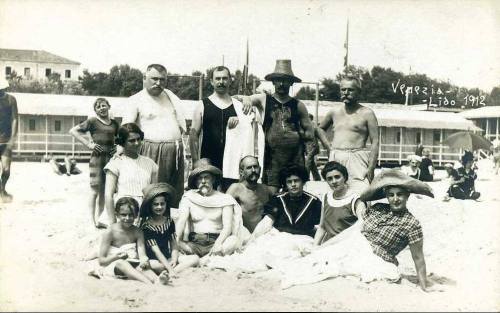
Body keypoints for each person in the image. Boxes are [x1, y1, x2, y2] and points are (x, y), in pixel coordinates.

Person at [279, 169, 439, 292]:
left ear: (407, 196)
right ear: (387, 196)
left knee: (330, 269)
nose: (395, 199)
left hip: (377, 259)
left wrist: (423, 283)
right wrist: (322, 247)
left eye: (400, 195)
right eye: (391, 195)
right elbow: (353, 232)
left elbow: (418, 257)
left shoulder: (412, 224)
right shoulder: (378, 209)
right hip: (354, 246)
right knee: (316, 260)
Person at [238, 60, 314, 194]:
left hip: (294, 157)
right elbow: (244, 98)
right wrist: (247, 100)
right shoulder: (264, 99)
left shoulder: (298, 105)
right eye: (278, 80)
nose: (281, 84)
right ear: (273, 82)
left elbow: (310, 135)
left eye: (285, 80)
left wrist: (307, 163)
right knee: (271, 194)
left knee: (294, 192)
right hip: (272, 158)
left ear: (291, 83)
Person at [122, 64, 186, 207]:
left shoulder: (172, 97)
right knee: (152, 192)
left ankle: (170, 225)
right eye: (154, 79)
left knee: (174, 193)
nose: (158, 83)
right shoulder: (135, 100)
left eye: (162, 80)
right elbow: (126, 130)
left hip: (175, 151)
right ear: (144, 78)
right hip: (149, 151)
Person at [317, 75, 379, 193]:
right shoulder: (334, 112)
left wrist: (371, 167)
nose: (346, 93)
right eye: (343, 89)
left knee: (361, 192)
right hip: (336, 156)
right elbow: (319, 129)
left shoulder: (367, 113)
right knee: (335, 193)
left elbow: (375, 141)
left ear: (359, 92)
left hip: (357, 158)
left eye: (350, 90)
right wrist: (329, 147)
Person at [190, 66, 246, 191]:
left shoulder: (238, 106)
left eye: (225, 78)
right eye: (218, 78)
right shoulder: (203, 104)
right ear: (211, 81)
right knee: (208, 195)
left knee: (229, 195)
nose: (221, 82)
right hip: (209, 159)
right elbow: (193, 134)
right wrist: (195, 162)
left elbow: (248, 129)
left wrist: (241, 121)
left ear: (230, 80)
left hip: (232, 159)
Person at [176, 162, 247, 258]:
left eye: (206, 177)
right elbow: (181, 222)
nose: (203, 181)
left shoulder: (225, 199)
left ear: (213, 179)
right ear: (196, 182)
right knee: (174, 242)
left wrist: (218, 244)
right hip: (194, 244)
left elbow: (227, 227)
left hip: (216, 242)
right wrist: (176, 242)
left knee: (233, 240)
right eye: (200, 178)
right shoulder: (188, 197)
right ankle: (207, 258)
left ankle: (208, 257)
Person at [69, 97, 119, 229]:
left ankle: (99, 219)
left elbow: (120, 138)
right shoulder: (92, 121)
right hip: (97, 159)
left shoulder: (114, 123)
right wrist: (89, 144)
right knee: (94, 190)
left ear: (109, 106)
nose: (102, 108)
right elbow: (73, 131)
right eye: (98, 107)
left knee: (106, 191)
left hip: (111, 159)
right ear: (95, 111)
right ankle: (91, 221)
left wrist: (117, 147)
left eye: (104, 105)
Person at [97, 197, 169, 284]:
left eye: (131, 215)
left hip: (133, 262)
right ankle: (148, 282)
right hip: (114, 264)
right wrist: (116, 257)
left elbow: (142, 254)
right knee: (122, 263)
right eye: (124, 215)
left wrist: (144, 260)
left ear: (136, 215)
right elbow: (101, 261)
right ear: (117, 214)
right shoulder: (110, 231)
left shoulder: (137, 231)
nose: (127, 218)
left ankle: (156, 280)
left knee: (158, 266)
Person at [139, 183, 199, 279]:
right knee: (155, 265)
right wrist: (170, 269)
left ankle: (170, 271)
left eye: (162, 204)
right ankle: (170, 271)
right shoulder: (147, 226)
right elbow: (156, 251)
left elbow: (174, 243)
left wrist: (174, 259)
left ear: (166, 204)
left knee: (195, 259)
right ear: (150, 206)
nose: (159, 207)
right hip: (155, 259)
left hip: (168, 257)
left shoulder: (169, 221)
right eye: (156, 204)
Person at [104, 123, 158, 224]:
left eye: (139, 139)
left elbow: (153, 194)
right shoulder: (115, 163)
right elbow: (108, 195)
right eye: (132, 141)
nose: (137, 143)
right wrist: (112, 222)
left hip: (144, 213)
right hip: (124, 213)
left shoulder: (150, 163)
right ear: (123, 142)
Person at [251, 164, 321, 239]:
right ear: (285, 184)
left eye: (296, 181)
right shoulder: (277, 199)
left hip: (304, 240)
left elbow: (320, 227)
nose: (293, 184)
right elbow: (266, 223)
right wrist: (252, 240)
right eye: (289, 182)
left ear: (303, 182)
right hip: (280, 239)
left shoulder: (314, 202)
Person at [313, 161, 366, 245]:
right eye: (329, 179)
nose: (334, 181)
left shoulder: (356, 200)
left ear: (344, 177)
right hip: (329, 244)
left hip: (348, 245)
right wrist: (314, 247)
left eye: (337, 177)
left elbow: (361, 225)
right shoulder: (326, 197)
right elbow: (322, 227)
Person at [226, 156, 273, 232]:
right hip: (244, 237)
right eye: (249, 168)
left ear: (260, 169)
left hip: (263, 236)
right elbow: (222, 211)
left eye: (255, 167)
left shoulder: (265, 189)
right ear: (241, 172)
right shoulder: (236, 188)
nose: (253, 170)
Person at [0, 76, 18, 203]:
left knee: (6, 170)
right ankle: (2, 192)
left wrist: (13, 138)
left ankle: (2, 189)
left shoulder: (11, 100)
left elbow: (15, 119)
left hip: (6, 141)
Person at [303, 114, 330, 181]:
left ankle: (306, 177)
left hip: (313, 147)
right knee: (311, 163)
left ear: (311, 119)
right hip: (307, 147)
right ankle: (317, 177)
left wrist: (326, 147)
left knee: (308, 160)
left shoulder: (314, 126)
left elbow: (321, 137)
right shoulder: (305, 126)